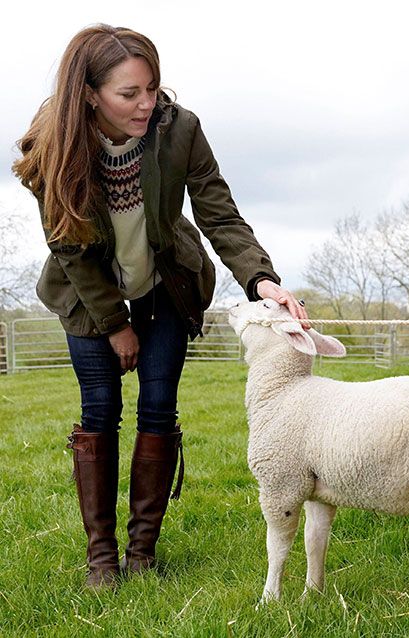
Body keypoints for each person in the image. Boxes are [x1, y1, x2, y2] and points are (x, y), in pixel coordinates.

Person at [13, 24, 308, 589]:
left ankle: (142, 551)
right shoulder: (53, 144)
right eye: (129, 94)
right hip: (88, 292)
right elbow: (69, 247)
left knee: (157, 408)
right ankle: (102, 558)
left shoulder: (180, 131)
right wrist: (116, 326)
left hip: (165, 283)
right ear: (90, 94)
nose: (147, 103)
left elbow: (219, 212)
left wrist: (260, 280)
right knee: (99, 409)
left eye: (152, 88)